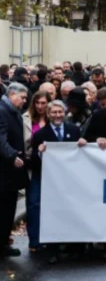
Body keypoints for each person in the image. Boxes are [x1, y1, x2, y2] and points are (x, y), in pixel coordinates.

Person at [29, 100, 84, 261]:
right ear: (48, 114)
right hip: (48, 180)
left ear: (65, 112)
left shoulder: (74, 130)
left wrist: (84, 144)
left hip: (70, 178)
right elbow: (33, 161)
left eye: (60, 112)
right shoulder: (40, 134)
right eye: (54, 112)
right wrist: (39, 153)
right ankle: (49, 244)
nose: (57, 115)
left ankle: (72, 242)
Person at [0, 83, 29, 258]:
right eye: (23, 97)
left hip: (8, 172)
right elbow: (0, 139)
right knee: (4, 209)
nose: (25, 101)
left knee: (8, 209)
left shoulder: (9, 110)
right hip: (4, 172)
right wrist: (12, 155)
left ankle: (3, 242)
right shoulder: (2, 112)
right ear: (12, 95)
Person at [23, 91, 50, 157]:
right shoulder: (26, 118)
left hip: (50, 156)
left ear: (49, 103)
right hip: (31, 156)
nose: (39, 106)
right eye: (37, 102)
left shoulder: (54, 118)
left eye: (43, 103)